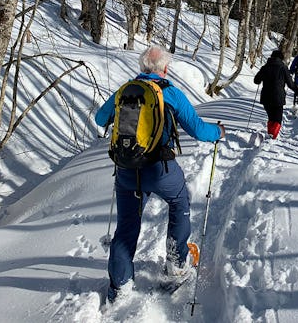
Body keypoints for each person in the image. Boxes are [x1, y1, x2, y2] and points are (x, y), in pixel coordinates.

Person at [94, 45, 225, 303]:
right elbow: (198, 130)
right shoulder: (170, 93)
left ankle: (120, 284)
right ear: (165, 68)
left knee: (128, 223)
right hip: (160, 169)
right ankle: (176, 266)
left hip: (127, 170)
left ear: (143, 67)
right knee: (179, 202)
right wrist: (218, 132)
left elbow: (100, 119)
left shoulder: (125, 90)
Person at [254, 49, 297, 139]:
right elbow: (290, 84)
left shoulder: (265, 67)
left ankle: (270, 134)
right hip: (278, 97)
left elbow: (256, 81)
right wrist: (297, 90)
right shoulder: (283, 67)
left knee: (271, 118)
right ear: (281, 58)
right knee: (277, 119)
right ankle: (272, 136)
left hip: (266, 97)